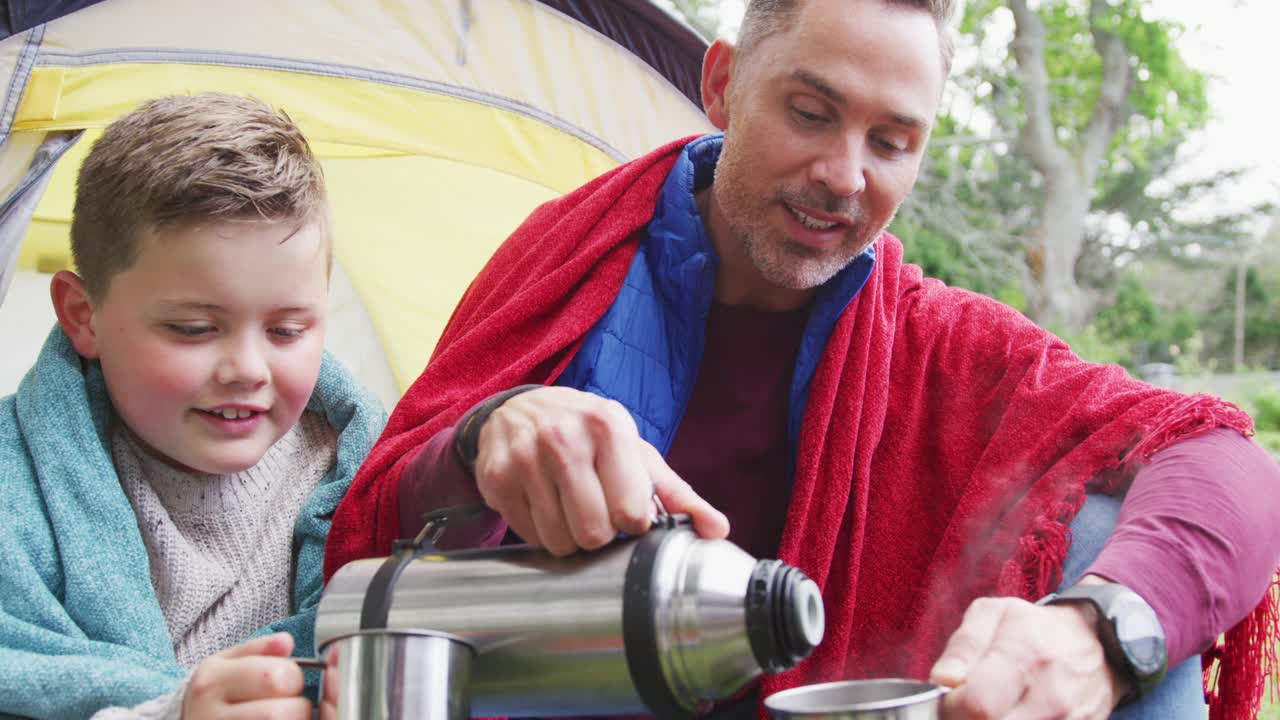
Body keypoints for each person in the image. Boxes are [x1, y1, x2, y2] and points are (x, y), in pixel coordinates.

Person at [325, 1, 1280, 718]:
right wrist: (486, 440)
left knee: (1119, 559)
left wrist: (1100, 632)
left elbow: (1224, 462)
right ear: (722, 84)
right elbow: (371, 548)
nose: (844, 174)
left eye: (891, 141)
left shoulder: (933, 340)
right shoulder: (570, 259)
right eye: (811, 112)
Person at [0, 93, 385, 719]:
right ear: (83, 315)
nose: (248, 371)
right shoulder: (15, 486)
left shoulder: (372, 482)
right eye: (193, 329)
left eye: (287, 331)